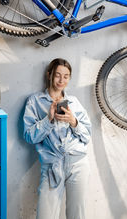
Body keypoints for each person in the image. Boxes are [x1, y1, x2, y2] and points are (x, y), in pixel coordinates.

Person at [23, 58, 91, 219]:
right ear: (49, 75)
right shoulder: (35, 101)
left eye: (66, 76)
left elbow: (87, 136)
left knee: (77, 215)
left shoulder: (74, 102)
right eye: (58, 75)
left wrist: (73, 122)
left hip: (78, 164)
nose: (61, 80)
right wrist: (49, 119)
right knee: (45, 215)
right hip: (52, 166)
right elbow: (29, 136)